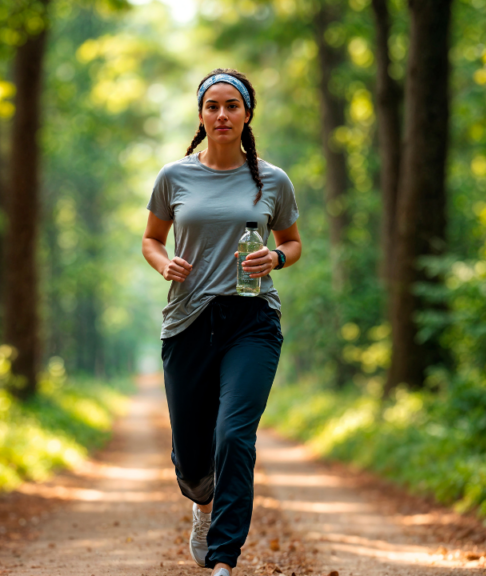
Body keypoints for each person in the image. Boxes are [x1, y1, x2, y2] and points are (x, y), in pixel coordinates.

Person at [141, 68, 302, 576]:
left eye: (232, 105)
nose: (222, 115)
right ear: (201, 115)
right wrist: (163, 262)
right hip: (188, 320)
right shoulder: (174, 177)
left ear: (247, 113)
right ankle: (202, 504)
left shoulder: (272, 180)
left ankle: (224, 559)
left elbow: (293, 242)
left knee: (234, 435)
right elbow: (150, 239)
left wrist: (275, 258)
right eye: (213, 106)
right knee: (192, 460)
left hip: (252, 320)